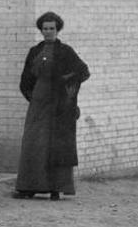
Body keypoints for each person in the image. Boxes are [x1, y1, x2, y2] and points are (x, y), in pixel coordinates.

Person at [14, 11, 90, 200]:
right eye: (45, 28)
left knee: (54, 145)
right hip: (38, 103)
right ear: (41, 30)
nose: (48, 32)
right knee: (34, 142)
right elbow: (26, 78)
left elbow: (83, 71)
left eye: (52, 28)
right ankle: (29, 186)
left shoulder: (66, 51)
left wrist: (66, 85)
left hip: (58, 105)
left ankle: (55, 188)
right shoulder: (34, 51)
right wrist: (32, 96)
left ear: (57, 30)